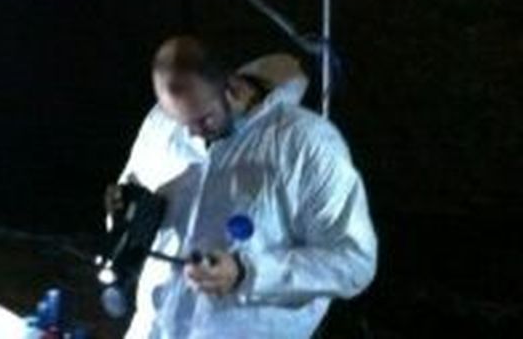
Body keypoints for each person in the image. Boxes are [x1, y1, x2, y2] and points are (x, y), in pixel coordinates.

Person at [109, 37, 376, 338]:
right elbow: (130, 190)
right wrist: (122, 208)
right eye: (179, 120)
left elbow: (353, 261)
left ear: (232, 89)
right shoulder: (164, 122)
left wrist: (247, 273)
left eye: (203, 120)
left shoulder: (306, 144)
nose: (190, 132)